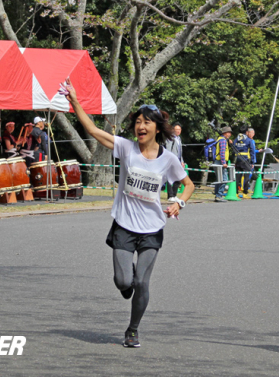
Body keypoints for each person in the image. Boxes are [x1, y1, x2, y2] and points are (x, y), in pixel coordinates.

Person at [61, 78, 195, 348]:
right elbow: (92, 129)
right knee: (124, 281)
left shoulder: (167, 159)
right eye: (138, 122)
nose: (140, 126)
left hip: (152, 229)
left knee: (142, 282)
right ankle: (126, 286)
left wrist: (179, 202)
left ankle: (133, 330)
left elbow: (188, 185)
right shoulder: (126, 147)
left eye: (146, 122)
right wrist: (74, 100)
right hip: (124, 225)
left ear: (157, 128)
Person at [165, 121, 184, 201]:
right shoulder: (170, 138)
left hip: (178, 160)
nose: (178, 131)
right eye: (176, 129)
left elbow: (180, 151)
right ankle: (170, 195)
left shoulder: (179, 139)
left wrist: (182, 161)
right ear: (173, 129)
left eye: (179, 129)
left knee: (178, 178)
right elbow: (168, 150)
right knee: (170, 178)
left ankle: (174, 194)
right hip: (172, 160)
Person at [234, 124, 255, 196]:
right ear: (246, 132)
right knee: (246, 176)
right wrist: (252, 162)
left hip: (238, 159)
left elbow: (233, 147)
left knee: (237, 176)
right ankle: (245, 192)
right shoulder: (249, 140)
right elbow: (252, 151)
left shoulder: (236, 139)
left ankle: (236, 192)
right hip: (245, 160)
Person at [213, 125, 232, 202]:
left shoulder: (219, 139)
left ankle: (217, 195)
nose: (230, 134)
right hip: (220, 162)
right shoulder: (223, 141)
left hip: (217, 161)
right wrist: (224, 162)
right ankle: (219, 195)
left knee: (219, 179)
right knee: (224, 179)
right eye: (229, 133)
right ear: (225, 133)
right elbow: (222, 152)